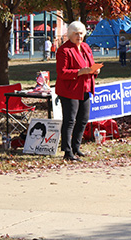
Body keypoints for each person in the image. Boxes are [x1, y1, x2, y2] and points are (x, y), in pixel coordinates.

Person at [55, 21, 100, 161]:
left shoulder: (86, 47)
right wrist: (80, 72)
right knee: (70, 121)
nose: (79, 36)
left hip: (85, 88)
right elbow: (62, 73)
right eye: (76, 34)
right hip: (69, 90)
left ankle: (76, 147)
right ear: (70, 35)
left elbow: (90, 65)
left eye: (81, 33)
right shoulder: (64, 50)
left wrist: (95, 70)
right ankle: (67, 152)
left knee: (83, 120)